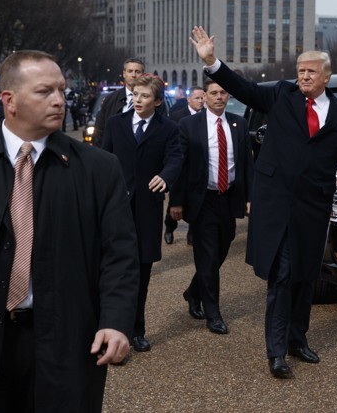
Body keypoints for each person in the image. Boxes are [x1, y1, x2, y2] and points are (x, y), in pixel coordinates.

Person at [0, 50, 139, 412]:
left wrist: (116, 322)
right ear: (9, 100)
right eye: (44, 92)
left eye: (61, 89)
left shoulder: (99, 169)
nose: (59, 100)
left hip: (62, 342)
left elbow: (119, 253)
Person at [189, 26, 337, 379]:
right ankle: (276, 352)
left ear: (326, 76)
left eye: (311, 71)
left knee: (305, 277)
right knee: (282, 275)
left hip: (314, 208)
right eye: (300, 71)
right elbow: (245, 89)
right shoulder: (282, 95)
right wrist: (212, 62)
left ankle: (298, 339)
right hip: (277, 204)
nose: (304, 76)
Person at [102, 74, 182, 352]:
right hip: (116, 209)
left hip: (147, 210)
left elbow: (175, 157)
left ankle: (136, 330)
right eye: (135, 95)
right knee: (114, 271)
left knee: (141, 273)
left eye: (145, 96)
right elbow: (104, 159)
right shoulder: (115, 124)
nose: (138, 100)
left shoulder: (169, 129)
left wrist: (166, 176)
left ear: (157, 101)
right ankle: (111, 329)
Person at [169, 79, 252, 335]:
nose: (218, 96)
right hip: (202, 198)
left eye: (223, 92)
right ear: (204, 96)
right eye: (213, 92)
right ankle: (213, 313)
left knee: (222, 250)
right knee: (207, 255)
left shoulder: (238, 123)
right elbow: (179, 165)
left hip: (229, 198)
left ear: (228, 97)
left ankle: (193, 291)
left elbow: (247, 164)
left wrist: (251, 197)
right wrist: (176, 201)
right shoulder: (188, 126)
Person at [166, 85, 206, 244]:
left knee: (196, 201)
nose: (201, 101)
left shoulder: (206, 116)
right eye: (197, 98)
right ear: (189, 99)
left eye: (202, 97)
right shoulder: (176, 117)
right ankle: (169, 227)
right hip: (181, 163)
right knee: (175, 201)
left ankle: (192, 231)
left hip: (198, 163)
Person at [91, 58, 145, 147]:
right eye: (130, 71)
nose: (133, 75)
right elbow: (99, 132)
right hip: (114, 157)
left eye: (137, 72)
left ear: (143, 75)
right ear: (124, 74)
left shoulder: (153, 100)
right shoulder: (109, 100)